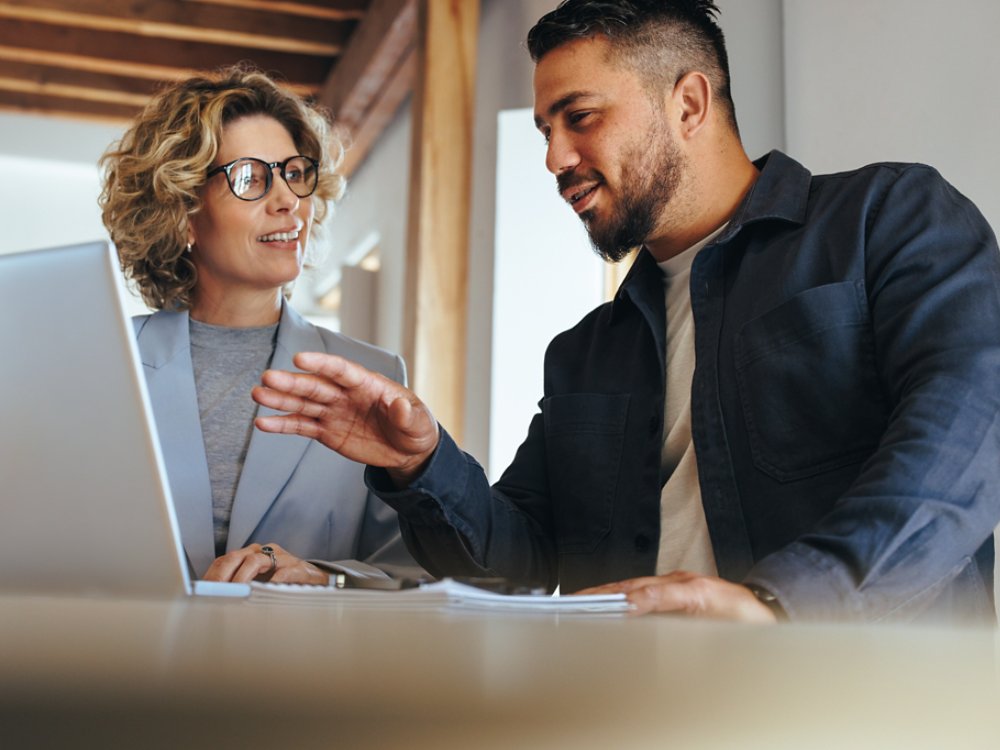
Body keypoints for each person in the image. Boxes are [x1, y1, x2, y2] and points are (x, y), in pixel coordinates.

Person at [251, 1, 1000, 624]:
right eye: (547, 130)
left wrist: (781, 604)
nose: (554, 157)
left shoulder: (886, 218)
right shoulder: (585, 351)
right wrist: (419, 463)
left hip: (864, 707)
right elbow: (521, 560)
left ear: (689, 104)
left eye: (580, 117)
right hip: (636, 710)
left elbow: (972, 426)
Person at [99, 65, 421, 585]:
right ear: (183, 212)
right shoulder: (103, 365)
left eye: (294, 173)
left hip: (297, 665)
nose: (288, 201)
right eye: (250, 178)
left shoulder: (370, 374)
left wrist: (323, 577)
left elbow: (414, 570)